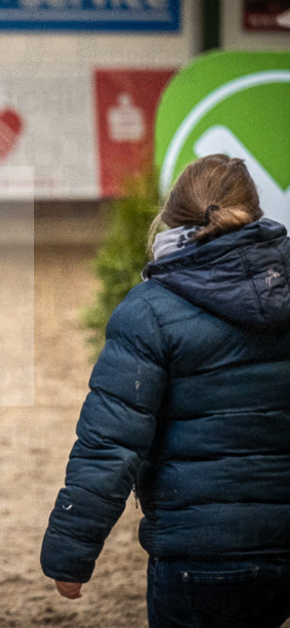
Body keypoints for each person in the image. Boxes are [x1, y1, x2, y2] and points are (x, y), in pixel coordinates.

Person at [40, 154, 290, 626]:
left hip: (196, 555)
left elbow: (110, 446)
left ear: (170, 219)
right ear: (255, 211)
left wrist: (70, 554)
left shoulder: (149, 312)